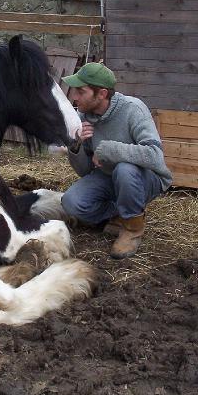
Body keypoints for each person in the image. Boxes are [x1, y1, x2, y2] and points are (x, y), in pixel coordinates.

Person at [60, 62, 172, 259]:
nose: (74, 97)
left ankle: (132, 228)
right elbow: (86, 172)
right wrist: (76, 146)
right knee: (71, 203)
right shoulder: (83, 116)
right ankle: (119, 213)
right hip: (108, 178)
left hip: (145, 179)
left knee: (125, 169)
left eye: (80, 91)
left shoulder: (133, 109)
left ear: (102, 94)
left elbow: (155, 155)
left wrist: (106, 150)